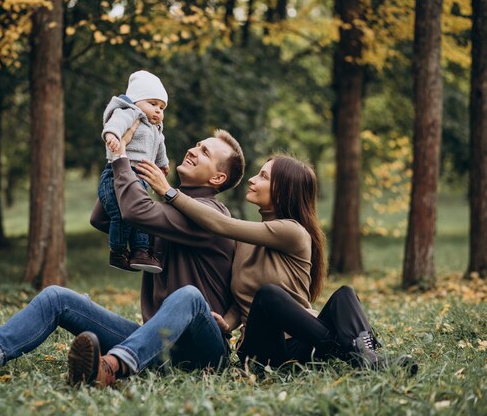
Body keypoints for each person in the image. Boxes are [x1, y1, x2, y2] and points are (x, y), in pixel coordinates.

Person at [0, 125, 247, 386]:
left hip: (205, 352)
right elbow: (103, 217)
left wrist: (122, 165)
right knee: (57, 297)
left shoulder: (209, 215)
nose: (193, 149)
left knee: (188, 296)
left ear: (218, 178)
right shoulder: (170, 209)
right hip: (158, 344)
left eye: (204, 152)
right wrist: (124, 155)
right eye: (197, 144)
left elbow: (135, 210)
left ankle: (112, 368)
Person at [137, 154, 417, 374]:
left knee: (344, 293)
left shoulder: (292, 232)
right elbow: (241, 300)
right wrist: (228, 323)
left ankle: (368, 356)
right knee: (268, 295)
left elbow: (221, 224)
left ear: (283, 192)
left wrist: (169, 192)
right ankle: (346, 351)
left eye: (263, 177)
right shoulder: (244, 240)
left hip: (304, 342)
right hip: (261, 352)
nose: (251, 180)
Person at [98, 70, 170, 273]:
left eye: (162, 107)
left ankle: (141, 252)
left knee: (140, 215)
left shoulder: (156, 128)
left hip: (139, 179)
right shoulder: (129, 112)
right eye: (153, 104)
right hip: (116, 176)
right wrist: (112, 135)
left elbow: (160, 145)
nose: (158, 111)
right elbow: (116, 123)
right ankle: (118, 252)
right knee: (121, 215)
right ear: (136, 100)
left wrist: (162, 163)